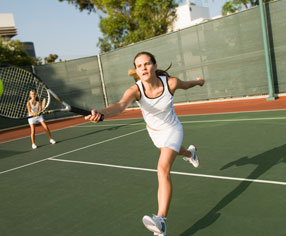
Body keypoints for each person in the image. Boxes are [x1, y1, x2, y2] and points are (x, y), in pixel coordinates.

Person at [85, 52, 205, 236]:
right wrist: (101, 112)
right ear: (137, 70)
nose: (144, 68)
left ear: (155, 66)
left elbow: (186, 85)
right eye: (139, 66)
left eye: (147, 64)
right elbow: (120, 105)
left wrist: (198, 82)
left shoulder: (170, 83)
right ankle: (190, 154)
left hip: (172, 129)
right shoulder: (135, 90)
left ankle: (161, 221)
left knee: (162, 168)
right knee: (174, 152)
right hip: (154, 133)